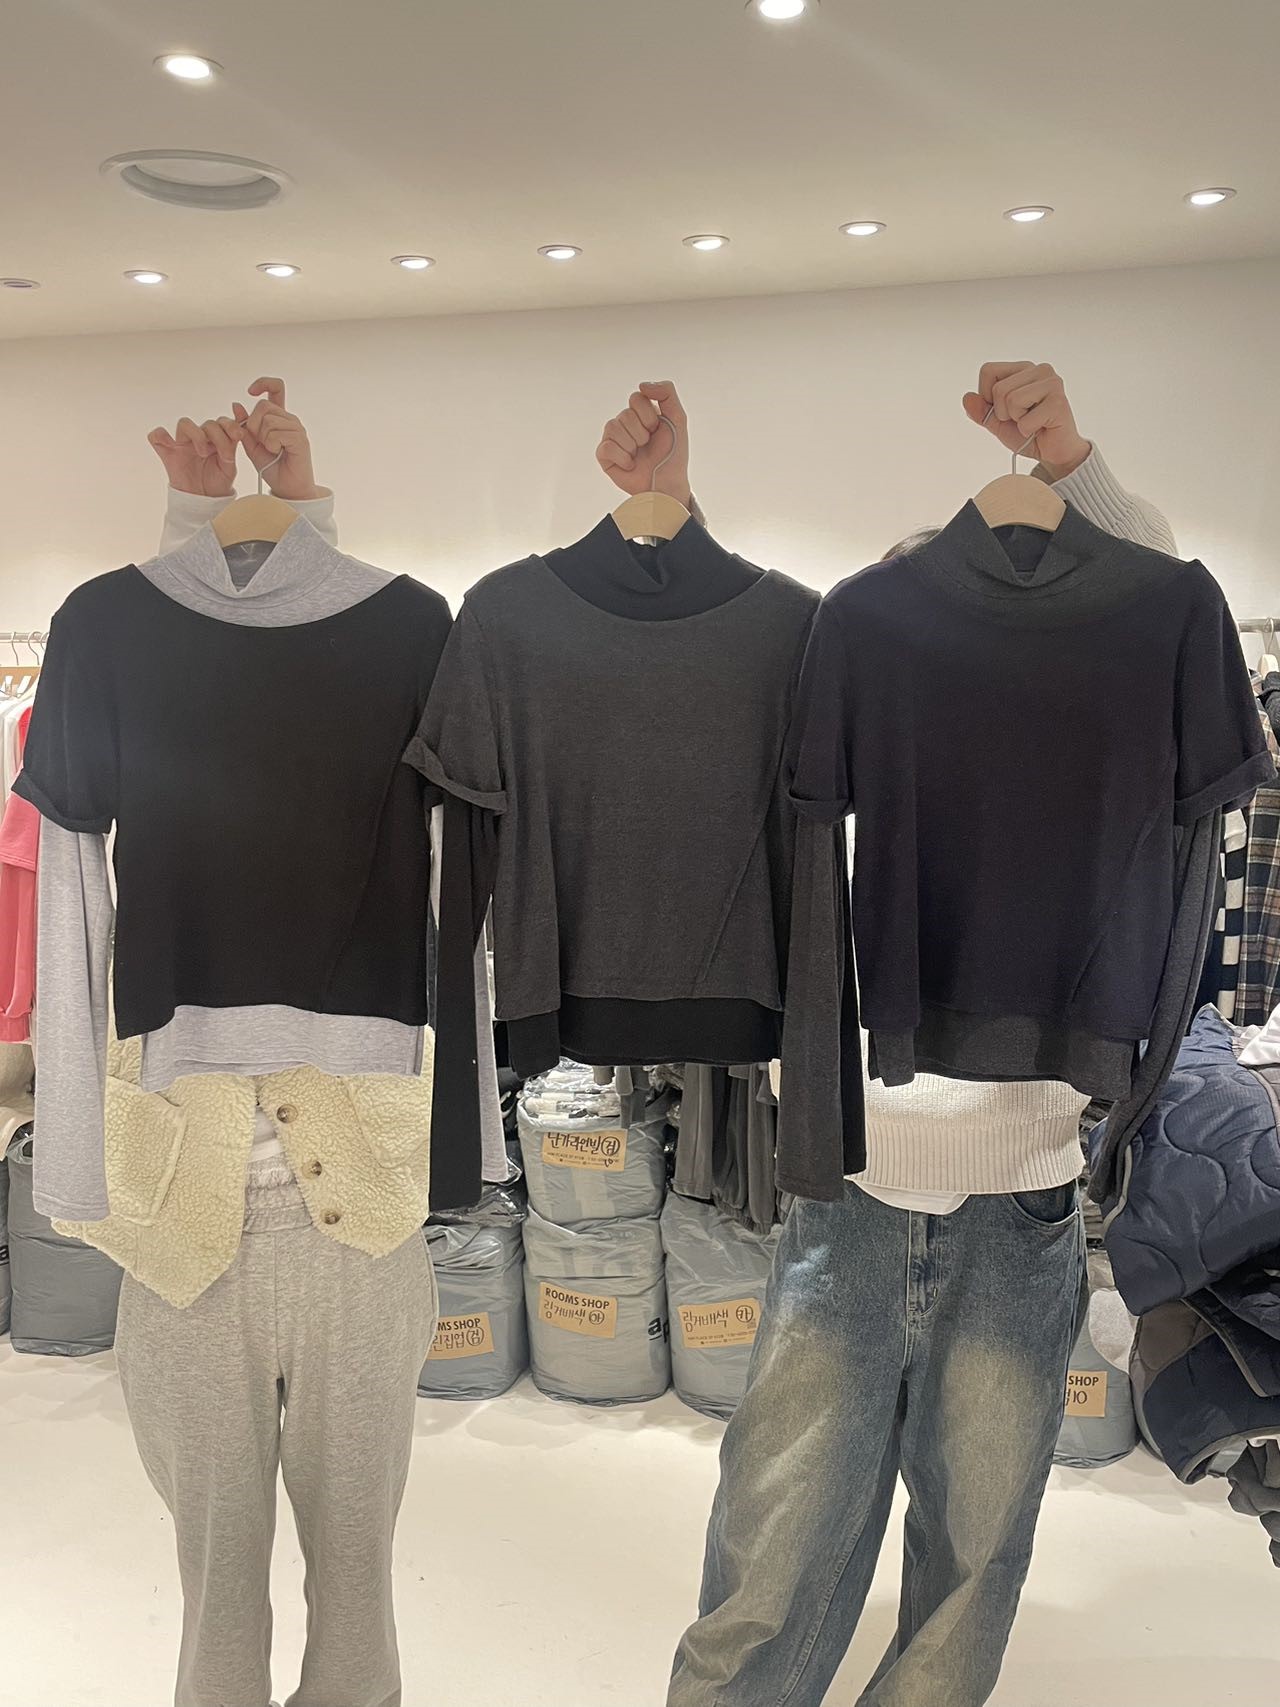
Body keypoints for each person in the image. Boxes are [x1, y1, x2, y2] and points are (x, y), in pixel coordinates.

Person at [598, 365, 1177, 1707]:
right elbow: (721, 657)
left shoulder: (1073, 745)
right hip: (850, 1190)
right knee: (776, 1542)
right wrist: (671, 506)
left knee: (974, 1551)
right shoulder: (842, 712)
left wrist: (1065, 461)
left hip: (1020, 1199)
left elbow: (1146, 590)